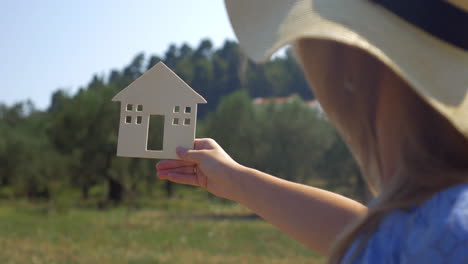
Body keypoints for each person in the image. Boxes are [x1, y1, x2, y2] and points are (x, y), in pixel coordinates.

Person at [156, 0, 468, 263]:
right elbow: (366, 233)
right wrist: (234, 178)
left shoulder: (444, 234)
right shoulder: (430, 228)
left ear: (348, 67)